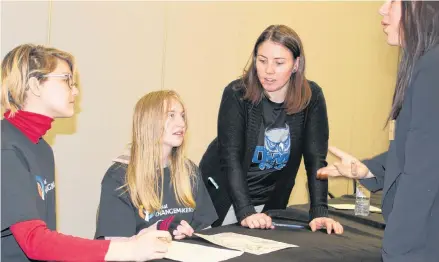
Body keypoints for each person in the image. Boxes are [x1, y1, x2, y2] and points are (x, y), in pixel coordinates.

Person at [1, 44, 171, 262]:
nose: (75, 91)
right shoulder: (7, 149)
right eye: (66, 80)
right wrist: (129, 250)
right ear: (35, 85)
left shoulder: (41, 148)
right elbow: (35, 242)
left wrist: (131, 242)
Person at [317, 1, 439, 261]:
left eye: (393, 2)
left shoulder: (432, 67)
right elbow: (420, 150)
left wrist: (398, 247)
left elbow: (423, 173)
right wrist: (367, 169)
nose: (382, 9)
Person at [199, 25, 343, 234]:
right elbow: (230, 158)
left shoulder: (312, 97)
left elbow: (316, 161)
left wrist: (319, 211)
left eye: (279, 63)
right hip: (225, 195)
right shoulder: (237, 94)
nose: (268, 70)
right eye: (262, 60)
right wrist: (246, 211)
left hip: (269, 202)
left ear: (296, 64)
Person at [95, 90, 218, 240]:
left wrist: (190, 235)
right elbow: (116, 246)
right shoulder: (119, 176)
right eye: (171, 115)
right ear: (149, 123)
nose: (182, 123)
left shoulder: (189, 171)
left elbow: (205, 231)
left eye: (182, 115)